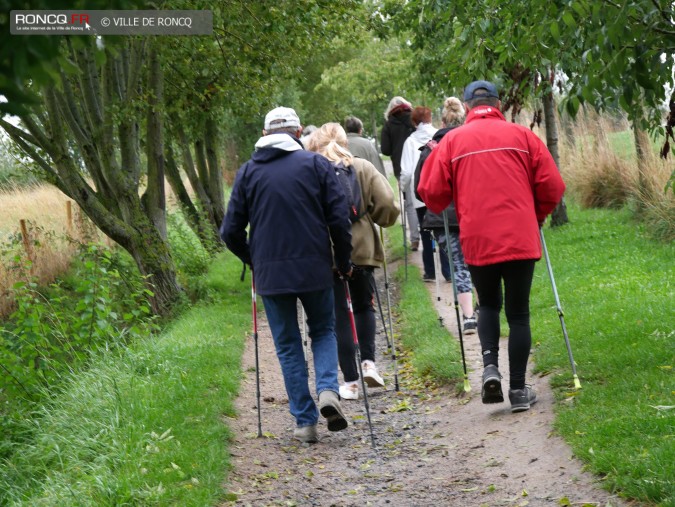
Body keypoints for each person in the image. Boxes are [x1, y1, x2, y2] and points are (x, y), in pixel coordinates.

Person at [418, 81, 566, 413]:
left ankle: (489, 368)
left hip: (478, 237)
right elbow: (553, 186)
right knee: (518, 313)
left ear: (468, 107)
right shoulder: (523, 136)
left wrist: (454, 196)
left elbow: (430, 192)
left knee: (487, 306)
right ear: (498, 104)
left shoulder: (453, 141)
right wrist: (536, 215)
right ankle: (517, 389)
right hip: (520, 237)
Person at [220, 107, 353, 443]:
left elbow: (230, 231)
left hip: (271, 274)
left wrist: (254, 259)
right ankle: (327, 390)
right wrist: (344, 260)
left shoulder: (248, 172)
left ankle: (305, 422)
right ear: (297, 133)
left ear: (264, 135)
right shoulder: (316, 165)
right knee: (323, 330)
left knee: (288, 345)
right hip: (315, 268)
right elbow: (339, 218)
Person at [306, 123, 400, 401]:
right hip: (362, 248)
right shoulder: (362, 167)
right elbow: (388, 207)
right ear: (346, 142)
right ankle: (369, 362)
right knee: (362, 305)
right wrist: (378, 218)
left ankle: (350, 381)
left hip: (326, 251)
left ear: (316, 144)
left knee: (338, 314)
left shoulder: (310, 171)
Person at [413, 97, 476, 335]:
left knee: (458, 263)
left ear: (442, 120)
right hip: (472, 213)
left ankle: (469, 316)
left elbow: (420, 188)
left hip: (442, 219)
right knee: (478, 262)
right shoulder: (472, 143)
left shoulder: (430, 149)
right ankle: (483, 307)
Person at [399, 106, 444, 282]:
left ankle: (430, 272)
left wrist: (404, 188)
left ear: (414, 121)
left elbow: (408, 173)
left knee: (425, 233)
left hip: (419, 194)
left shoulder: (410, 142)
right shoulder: (439, 135)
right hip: (440, 192)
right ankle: (448, 271)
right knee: (442, 229)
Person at [380, 96, 419, 250]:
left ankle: (415, 239)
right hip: (419, 163)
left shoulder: (389, 125)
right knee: (424, 201)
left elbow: (385, 150)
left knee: (409, 204)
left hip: (401, 168)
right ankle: (430, 237)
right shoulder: (415, 119)